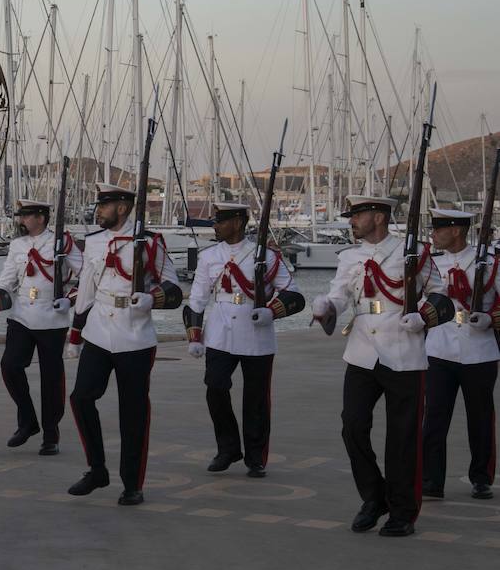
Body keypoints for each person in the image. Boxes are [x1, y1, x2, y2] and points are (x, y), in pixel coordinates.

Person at [312, 195, 454, 537]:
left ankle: (403, 512)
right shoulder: (349, 257)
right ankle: (374, 498)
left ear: (377, 216)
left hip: (403, 349)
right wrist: (325, 304)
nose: (351, 222)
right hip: (362, 350)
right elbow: (339, 297)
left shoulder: (413, 253)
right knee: (352, 425)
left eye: (357, 215)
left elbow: (441, 294)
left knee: (403, 437)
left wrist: (423, 318)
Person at [65, 182, 183, 506]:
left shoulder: (150, 242)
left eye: (105, 205)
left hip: (135, 335)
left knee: (132, 412)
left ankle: (132, 483)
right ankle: (97, 469)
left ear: (122, 207)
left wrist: (152, 298)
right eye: (99, 205)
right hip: (99, 331)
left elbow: (173, 288)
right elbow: (86, 290)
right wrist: (75, 335)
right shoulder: (92, 242)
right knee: (81, 397)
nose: (99, 211)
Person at [183, 202, 305, 477]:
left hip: (255, 334)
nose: (215, 225)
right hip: (220, 333)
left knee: (256, 399)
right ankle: (227, 448)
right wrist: (194, 336)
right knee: (215, 388)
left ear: (237, 223)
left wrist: (270, 312)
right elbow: (197, 299)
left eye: (221, 220)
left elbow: (294, 295)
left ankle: (255, 456)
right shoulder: (209, 256)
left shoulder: (266, 257)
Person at [0, 199, 82, 455]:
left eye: (26, 216)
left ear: (40, 217)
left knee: (51, 379)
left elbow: (87, 276)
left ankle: (51, 434)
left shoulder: (61, 242)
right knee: (10, 366)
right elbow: (8, 277)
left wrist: (69, 299)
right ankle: (27, 421)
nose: (21, 220)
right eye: (21, 216)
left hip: (51, 317)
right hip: (22, 315)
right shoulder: (18, 245)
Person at [421, 208, 499, 500]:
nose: (433, 234)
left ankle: (481, 477)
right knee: (435, 418)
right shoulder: (432, 264)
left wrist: (491, 319)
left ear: (455, 230)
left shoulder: (488, 264)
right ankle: (431, 479)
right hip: (439, 349)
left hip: (478, 350)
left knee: (480, 419)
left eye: (438, 229)